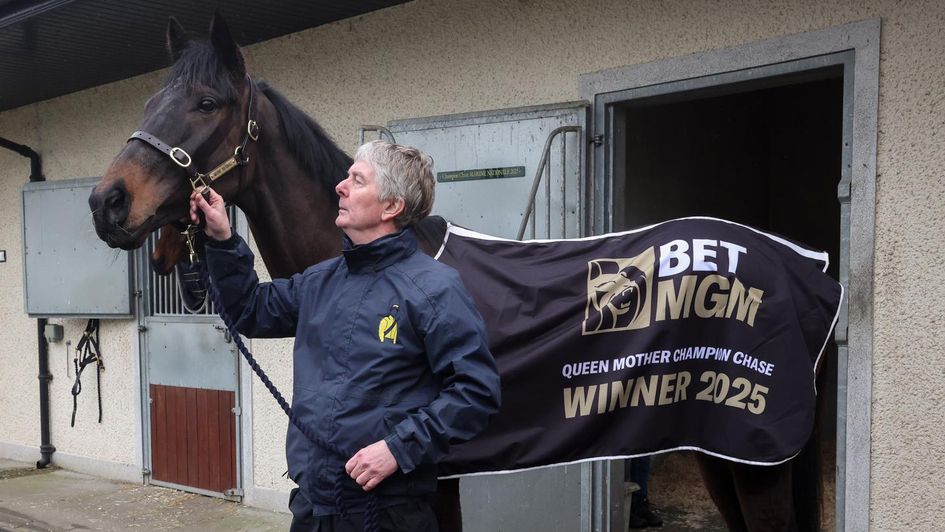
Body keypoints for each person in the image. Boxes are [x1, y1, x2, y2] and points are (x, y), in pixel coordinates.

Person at [191, 140, 502, 531]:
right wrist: (222, 240)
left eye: (357, 180)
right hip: (313, 507)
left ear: (391, 207)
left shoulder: (435, 288)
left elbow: (476, 392)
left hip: (388, 513)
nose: (340, 186)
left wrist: (397, 448)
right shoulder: (321, 281)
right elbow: (250, 311)